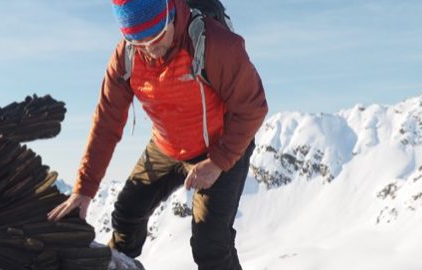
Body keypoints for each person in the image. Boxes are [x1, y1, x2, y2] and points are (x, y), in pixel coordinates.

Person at [47, 0, 268, 269]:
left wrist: (219, 162)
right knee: (127, 214)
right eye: (139, 42)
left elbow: (253, 107)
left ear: (170, 13)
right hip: (167, 145)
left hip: (220, 145)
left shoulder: (216, 45)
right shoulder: (126, 56)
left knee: (211, 242)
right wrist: (84, 189)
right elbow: (107, 122)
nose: (150, 48)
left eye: (156, 35)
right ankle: (117, 264)